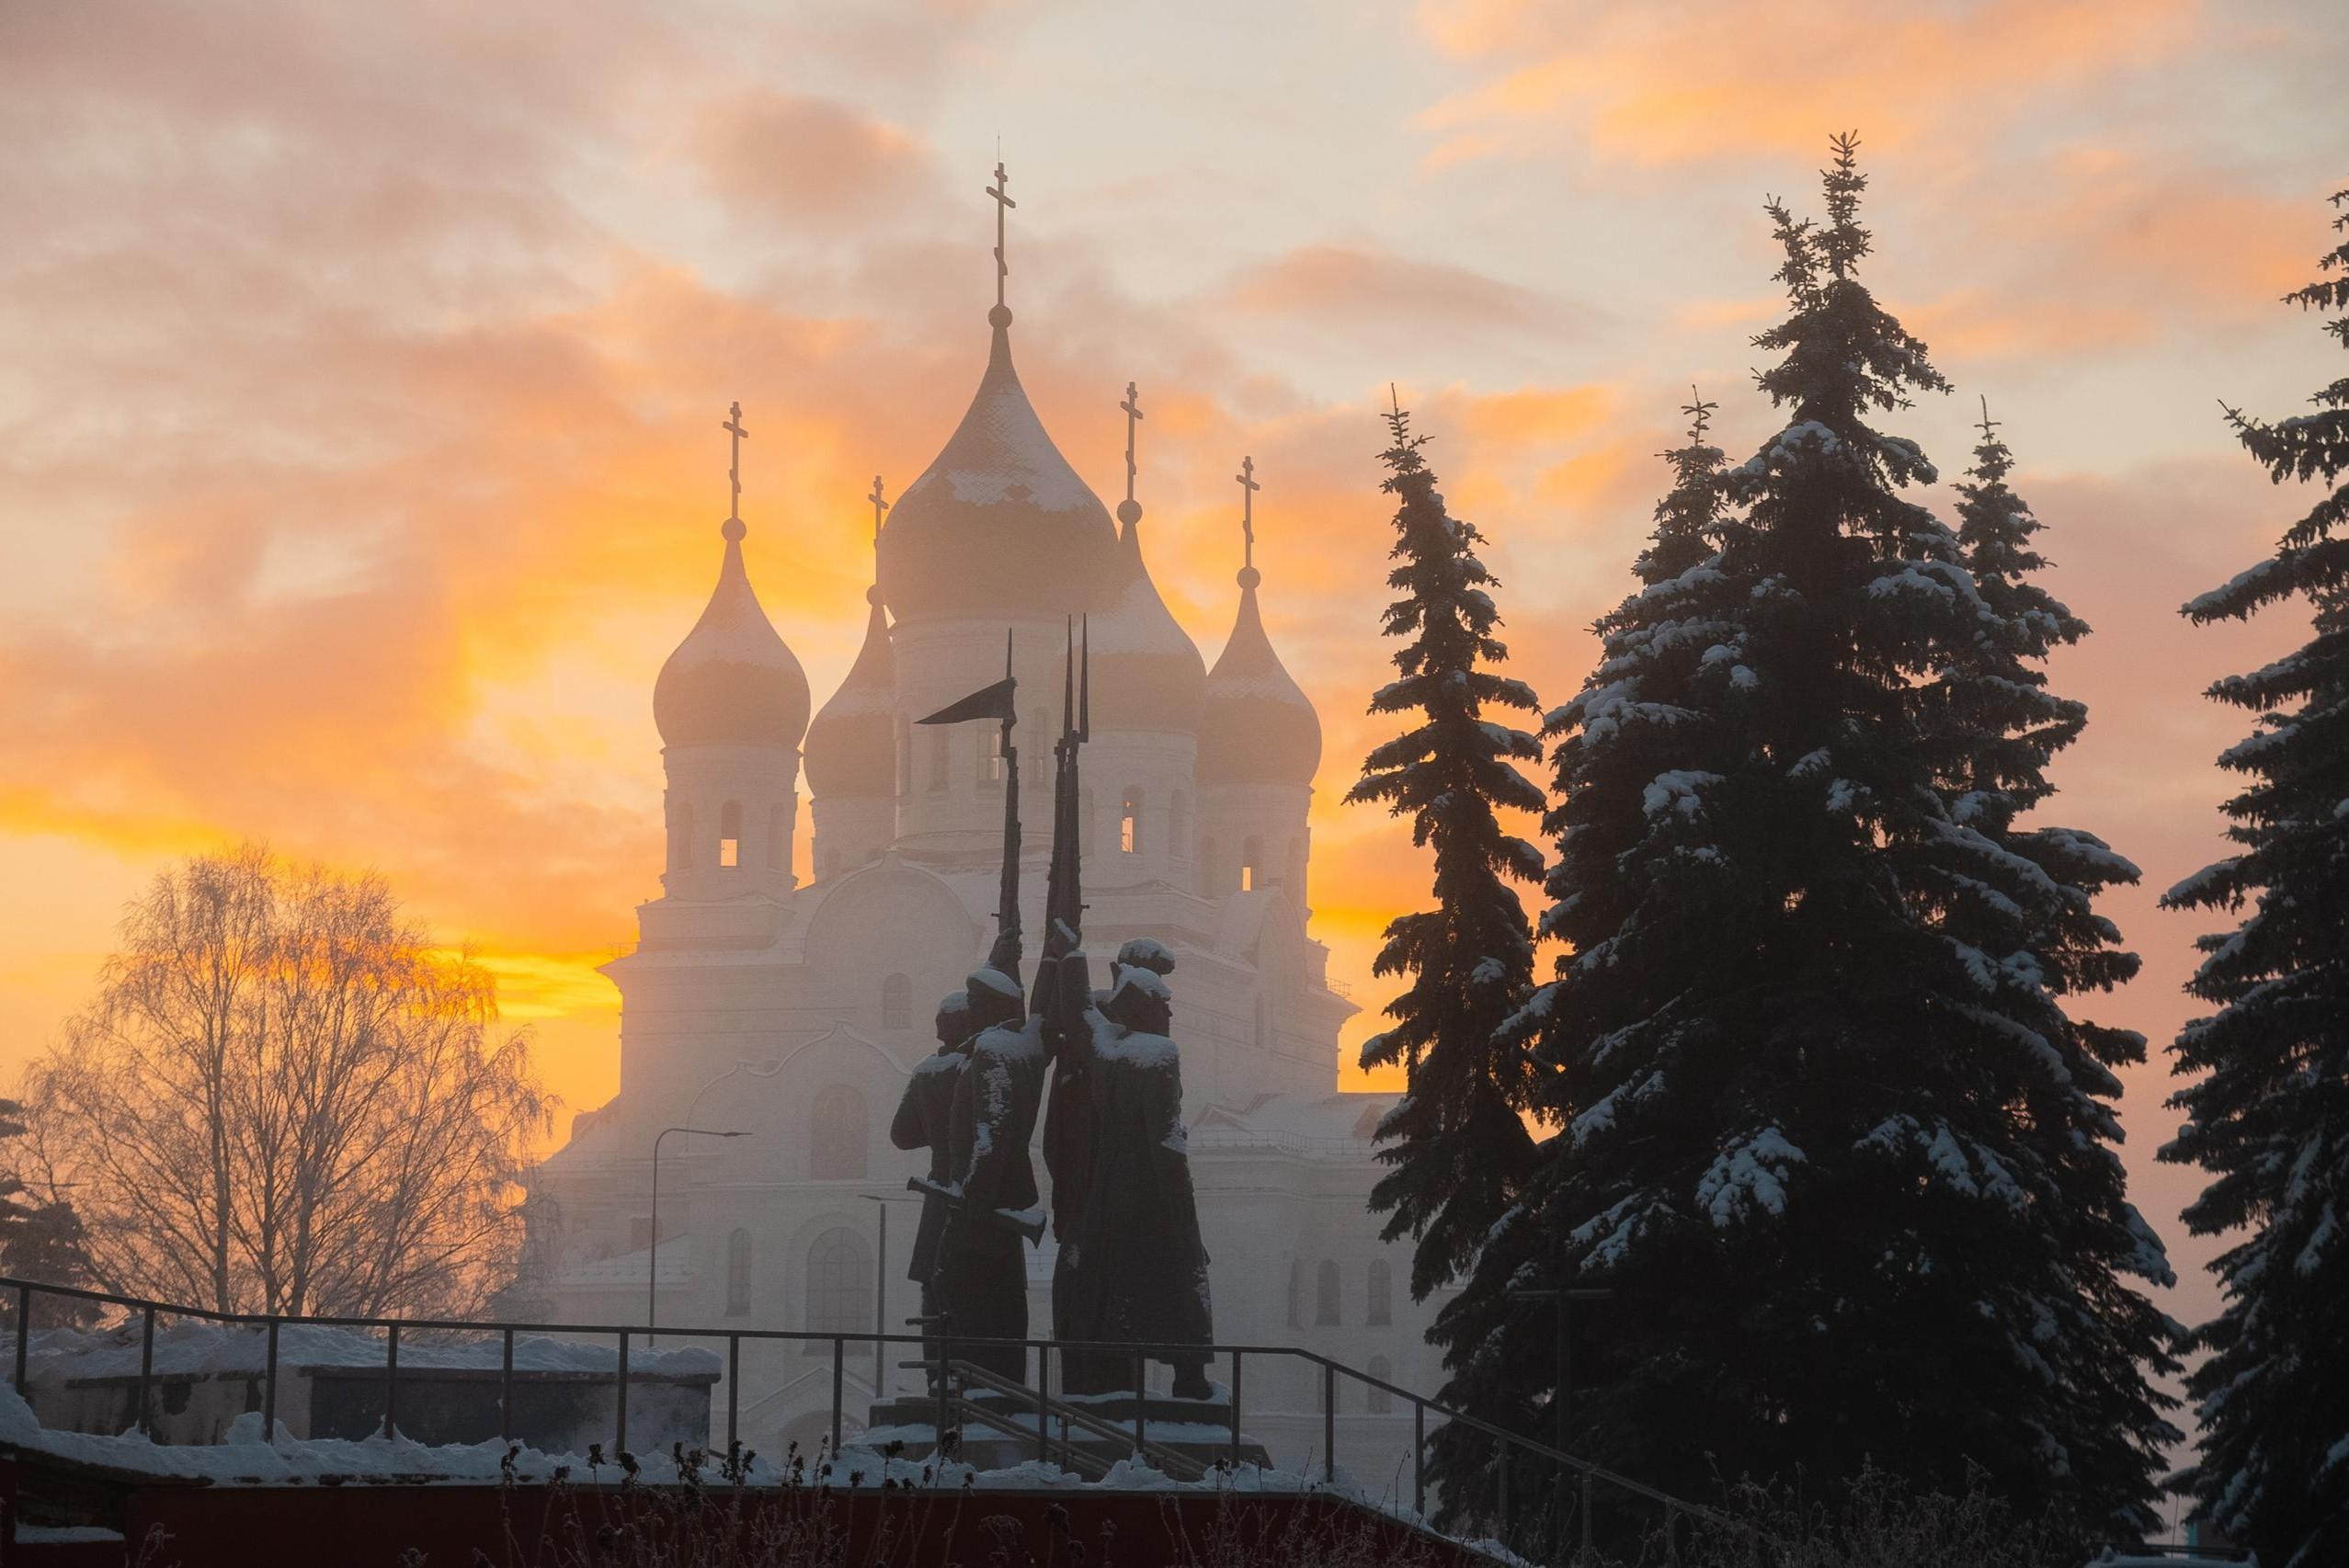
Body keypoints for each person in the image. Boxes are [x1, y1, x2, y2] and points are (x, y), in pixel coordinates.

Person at [1046, 938, 1214, 1397]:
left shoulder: (1106, 1051)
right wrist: (1181, 1206)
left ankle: (1119, 1350)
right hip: (1150, 1183)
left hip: (1108, 1183)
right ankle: (1190, 1376)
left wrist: (1070, 955)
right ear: (1146, 1009)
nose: (1169, 1014)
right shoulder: (1158, 1055)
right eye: (1163, 1005)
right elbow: (1165, 1137)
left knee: (1116, 1277)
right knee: (1183, 1271)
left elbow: (1080, 1015)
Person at [890, 990, 973, 1388]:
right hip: (968, 1183)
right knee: (966, 1280)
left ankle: (934, 1375)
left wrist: (936, 1135)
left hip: (938, 1180)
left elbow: (902, 1135)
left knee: (932, 1282)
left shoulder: (926, 1072)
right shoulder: (972, 1068)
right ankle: (964, 1371)